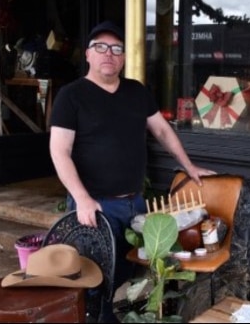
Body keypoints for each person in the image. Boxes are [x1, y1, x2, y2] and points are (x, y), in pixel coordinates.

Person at [49, 20, 216, 321]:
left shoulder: (136, 91)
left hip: (135, 205)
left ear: (124, 57)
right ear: (88, 54)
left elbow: (163, 132)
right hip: (95, 207)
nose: (109, 54)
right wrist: (82, 198)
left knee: (127, 272)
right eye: (100, 47)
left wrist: (189, 166)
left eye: (116, 48)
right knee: (94, 283)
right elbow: (59, 152)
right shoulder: (71, 96)